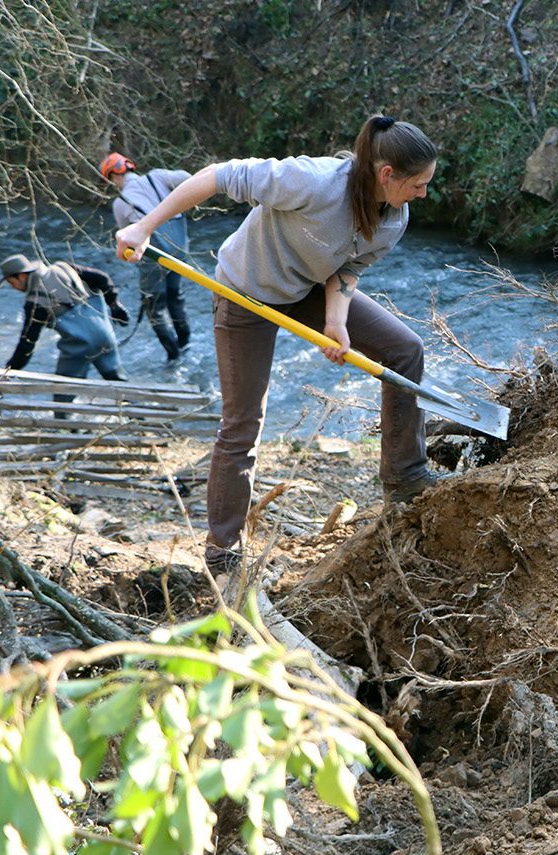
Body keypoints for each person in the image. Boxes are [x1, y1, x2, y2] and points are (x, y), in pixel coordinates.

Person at [114, 114, 441, 573]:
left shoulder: (395, 217)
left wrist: (335, 321)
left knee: (405, 350)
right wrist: (144, 226)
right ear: (387, 175)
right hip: (245, 292)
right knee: (243, 422)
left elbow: (348, 269)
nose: (423, 194)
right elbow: (217, 176)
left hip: (305, 288)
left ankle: (404, 475)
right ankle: (223, 551)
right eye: (418, 184)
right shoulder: (311, 180)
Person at [0, 253, 130, 407]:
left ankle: (65, 426)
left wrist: (9, 371)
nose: (12, 287)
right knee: (119, 384)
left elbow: (27, 344)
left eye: (11, 282)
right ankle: (138, 417)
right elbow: (102, 278)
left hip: (78, 346)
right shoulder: (65, 268)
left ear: (22, 276)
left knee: (64, 392)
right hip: (105, 335)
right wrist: (114, 304)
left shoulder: (35, 302)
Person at [101, 153, 195, 363]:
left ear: (115, 175)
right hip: (180, 248)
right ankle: (186, 345)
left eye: (110, 179)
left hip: (153, 254)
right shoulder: (158, 176)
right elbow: (192, 179)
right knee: (176, 295)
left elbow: (127, 240)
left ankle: (173, 357)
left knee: (155, 306)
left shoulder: (120, 202)